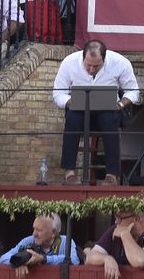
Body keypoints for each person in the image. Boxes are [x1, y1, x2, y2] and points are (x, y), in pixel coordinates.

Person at [52, 41, 139, 186]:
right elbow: (58, 93)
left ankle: (111, 175)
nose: (91, 69)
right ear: (82, 56)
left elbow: (134, 91)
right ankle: (70, 174)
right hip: (79, 111)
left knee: (110, 119)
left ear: (104, 59)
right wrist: (71, 102)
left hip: (107, 112)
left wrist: (120, 104)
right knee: (72, 118)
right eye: (88, 65)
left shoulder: (120, 62)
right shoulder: (69, 63)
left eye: (96, 66)